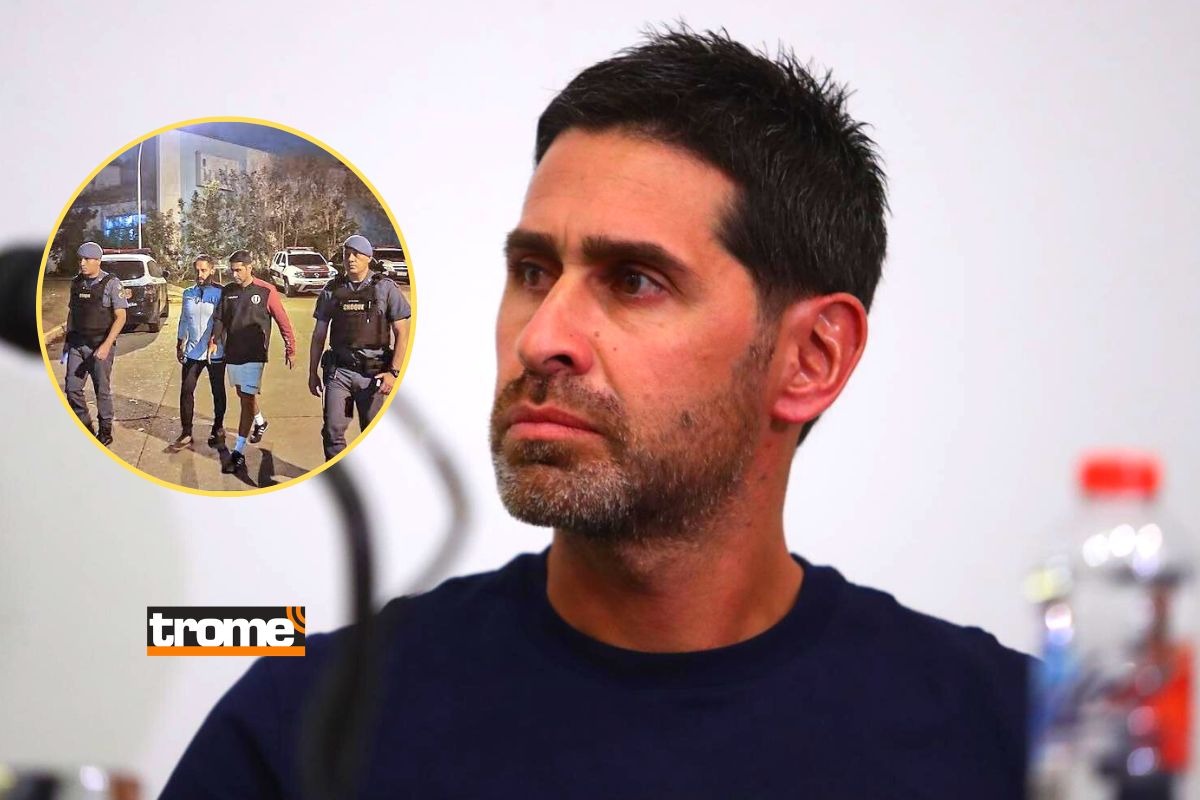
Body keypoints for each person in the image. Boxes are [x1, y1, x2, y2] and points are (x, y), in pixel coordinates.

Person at [164, 29, 1028, 798]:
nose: (543, 337)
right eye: (533, 272)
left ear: (812, 358)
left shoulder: (1012, 742)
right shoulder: (305, 731)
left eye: (635, 281)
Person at [308, 234, 410, 459]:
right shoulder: (333, 289)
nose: (350, 259)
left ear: (368, 258)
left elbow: (402, 332)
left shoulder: (385, 288)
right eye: (347, 254)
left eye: (356, 254)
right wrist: (312, 372)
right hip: (339, 374)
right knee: (332, 432)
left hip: (373, 376)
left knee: (372, 434)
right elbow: (319, 334)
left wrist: (394, 372)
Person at [208, 249, 295, 475]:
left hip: (255, 354)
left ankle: (238, 451)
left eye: (239, 270)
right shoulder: (228, 291)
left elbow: (283, 320)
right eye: (232, 270)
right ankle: (260, 421)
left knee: (246, 398)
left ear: (249, 268)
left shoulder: (266, 290)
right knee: (243, 394)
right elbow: (220, 318)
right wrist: (214, 340)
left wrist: (290, 347)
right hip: (233, 352)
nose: (235, 274)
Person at [63, 241, 127, 446]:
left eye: (87, 259)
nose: (82, 263)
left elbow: (121, 317)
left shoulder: (111, 283)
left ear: (98, 261)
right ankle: (86, 428)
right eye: (80, 259)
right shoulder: (76, 283)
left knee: (102, 390)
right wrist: (67, 343)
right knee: (72, 389)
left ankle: (105, 430)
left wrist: (107, 345)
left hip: (100, 345)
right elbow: (72, 313)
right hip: (77, 344)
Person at [171, 254, 226, 451]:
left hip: (214, 352)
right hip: (193, 351)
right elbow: (184, 320)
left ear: (212, 270)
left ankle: (218, 427)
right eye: (197, 270)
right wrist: (179, 343)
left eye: (203, 270)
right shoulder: (188, 293)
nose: (200, 274)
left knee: (217, 391)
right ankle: (186, 432)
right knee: (186, 390)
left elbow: (223, 321)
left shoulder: (220, 293)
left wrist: (216, 340)